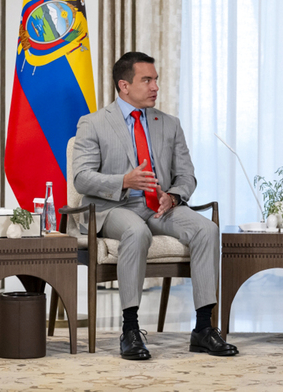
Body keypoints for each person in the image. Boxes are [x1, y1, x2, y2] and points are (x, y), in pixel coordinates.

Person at [72, 51, 238, 360]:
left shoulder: (169, 124)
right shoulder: (93, 123)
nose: (155, 87)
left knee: (207, 229)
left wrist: (172, 196)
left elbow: (187, 175)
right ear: (124, 86)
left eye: (156, 80)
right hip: (114, 208)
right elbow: (82, 178)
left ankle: (203, 329)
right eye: (146, 80)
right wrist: (124, 181)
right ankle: (131, 330)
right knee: (136, 231)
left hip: (160, 207)